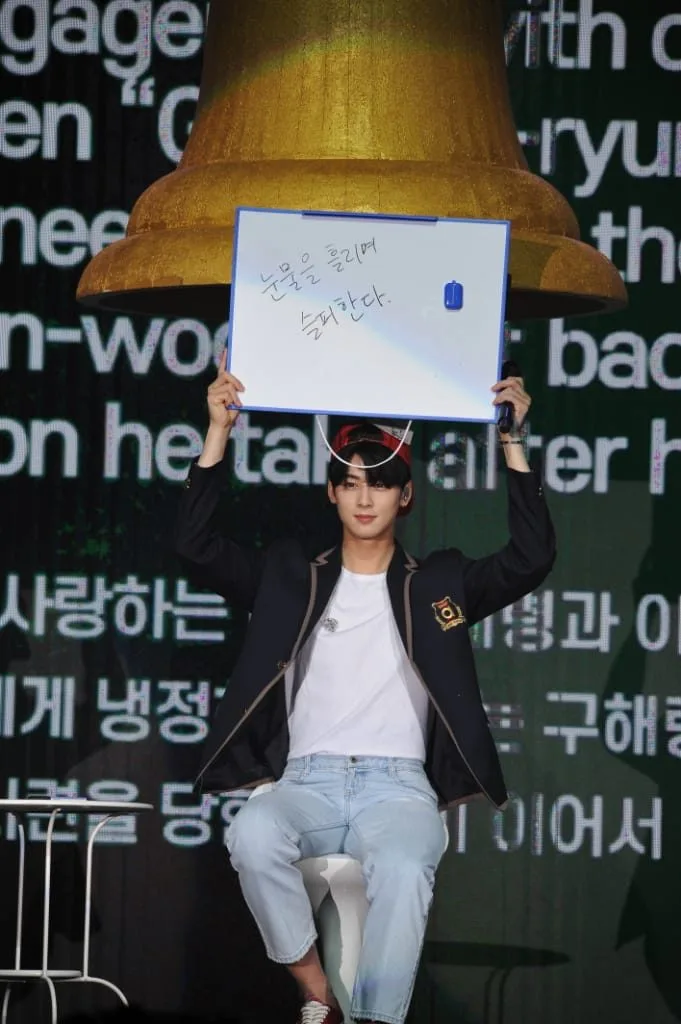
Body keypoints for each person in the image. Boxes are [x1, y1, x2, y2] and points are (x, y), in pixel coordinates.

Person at [174, 350, 556, 1024]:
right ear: (331, 493)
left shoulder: (438, 585)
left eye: (379, 484)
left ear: (404, 495)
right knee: (253, 835)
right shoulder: (290, 577)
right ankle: (315, 990)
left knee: (406, 868)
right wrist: (218, 431)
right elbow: (194, 546)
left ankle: (376, 1020)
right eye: (349, 482)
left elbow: (531, 558)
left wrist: (512, 440)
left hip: (398, 789)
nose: (363, 497)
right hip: (305, 782)